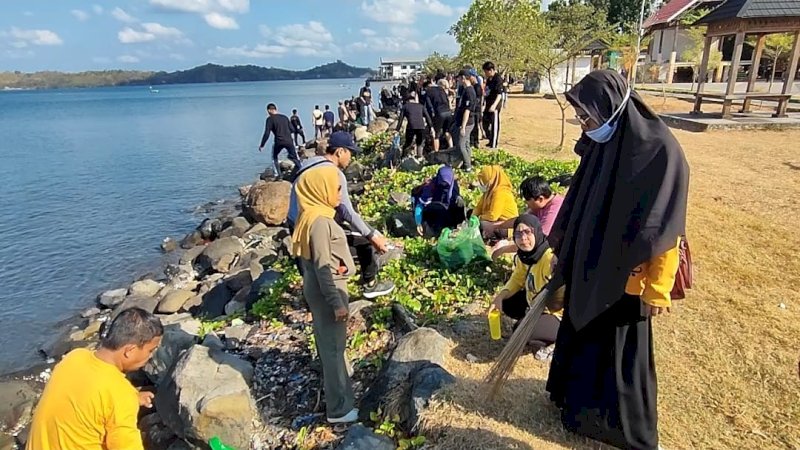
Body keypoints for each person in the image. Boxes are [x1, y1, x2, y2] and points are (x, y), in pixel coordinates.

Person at [546, 70, 689, 450]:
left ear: (610, 108)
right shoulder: (602, 145)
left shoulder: (660, 152)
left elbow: (664, 227)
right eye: (580, 118)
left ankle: (632, 436)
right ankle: (578, 412)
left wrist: (657, 290)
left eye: (586, 117)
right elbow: (580, 203)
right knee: (583, 343)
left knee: (622, 361)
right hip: (588, 267)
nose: (584, 125)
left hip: (626, 279)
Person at [27, 308, 163, 450]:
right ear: (130, 351)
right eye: (150, 350)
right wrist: (126, 399)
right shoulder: (118, 392)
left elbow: (86, 393)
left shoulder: (75, 357)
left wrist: (132, 396)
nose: (151, 356)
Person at [288, 132, 396, 299]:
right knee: (363, 242)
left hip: (295, 225)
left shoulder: (309, 164)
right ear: (340, 152)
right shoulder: (333, 173)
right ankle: (370, 285)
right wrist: (372, 235)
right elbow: (346, 211)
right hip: (315, 225)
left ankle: (312, 301)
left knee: (310, 268)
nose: (351, 158)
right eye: (350, 153)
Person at [291, 165, 358, 424]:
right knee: (333, 350)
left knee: (329, 346)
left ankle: (340, 396)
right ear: (320, 190)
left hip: (319, 289)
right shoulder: (320, 222)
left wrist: (342, 265)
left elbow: (320, 262)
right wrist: (337, 303)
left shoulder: (310, 215)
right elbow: (322, 267)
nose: (340, 193)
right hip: (327, 294)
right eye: (337, 188)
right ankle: (339, 409)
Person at [490, 214, 564, 359]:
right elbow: (517, 279)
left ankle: (556, 341)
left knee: (520, 331)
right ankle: (536, 326)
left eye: (527, 232)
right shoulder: (523, 256)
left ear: (536, 231)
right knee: (506, 302)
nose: (523, 238)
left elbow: (558, 299)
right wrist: (499, 297)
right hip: (534, 306)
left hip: (556, 314)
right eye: (518, 233)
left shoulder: (549, 258)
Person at [484, 176, 565, 252]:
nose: (527, 204)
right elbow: (521, 220)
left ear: (540, 199)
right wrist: (496, 226)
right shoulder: (540, 205)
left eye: (528, 200)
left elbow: (539, 241)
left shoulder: (555, 209)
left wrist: (504, 249)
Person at [411, 165, 466, 237]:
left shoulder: (454, 187)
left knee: (459, 201)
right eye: (442, 182)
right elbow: (420, 206)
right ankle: (436, 230)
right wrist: (418, 223)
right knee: (438, 207)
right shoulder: (431, 187)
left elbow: (456, 204)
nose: (444, 185)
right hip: (433, 214)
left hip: (447, 213)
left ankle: (457, 227)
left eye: (447, 183)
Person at [259, 103, 302, 180]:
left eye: (268, 111)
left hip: (279, 141)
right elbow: (292, 129)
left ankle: (278, 175)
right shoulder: (284, 117)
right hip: (289, 140)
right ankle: (301, 169)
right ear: (276, 109)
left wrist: (262, 145)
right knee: (294, 157)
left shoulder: (270, 119)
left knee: (274, 157)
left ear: (269, 110)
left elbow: (267, 133)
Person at [473, 165, 518, 231]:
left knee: (482, 224)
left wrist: (479, 218)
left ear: (490, 181)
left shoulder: (501, 192)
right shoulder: (489, 191)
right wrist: (473, 216)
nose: (481, 184)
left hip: (507, 226)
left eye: (483, 182)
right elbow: (479, 207)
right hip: (496, 222)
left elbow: (493, 216)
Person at [396, 92, 434, 158]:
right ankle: (419, 157)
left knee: (408, 143)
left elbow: (400, 120)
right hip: (421, 126)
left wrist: (397, 129)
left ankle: (403, 157)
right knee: (420, 143)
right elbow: (428, 117)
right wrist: (431, 127)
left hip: (411, 126)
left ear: (407, 100)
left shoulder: (405, 106)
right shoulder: (421, 106)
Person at [452, 69, 477, 172]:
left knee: (462, 145)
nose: (458, 80)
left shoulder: (469, 91)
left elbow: (467, 110)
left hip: (467, 122)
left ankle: (468, 166)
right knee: (466, 144)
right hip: (466, 121)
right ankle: (468, 163)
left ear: (463, 78)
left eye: (459, 78)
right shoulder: (465, 90)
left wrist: (463, 126)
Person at [426, 78, 454, 151]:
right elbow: (447, 101)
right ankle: (451, 148)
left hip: (439, 113)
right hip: (448, 112)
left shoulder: (428, 92)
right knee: (447, 131)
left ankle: (436, 152)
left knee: (436, 134)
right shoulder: (442, 90)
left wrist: (431, 117)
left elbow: (429, 106)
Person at [482, 61, 505, 149]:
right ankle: (490, 139)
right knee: (484, 123)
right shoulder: (488, 79)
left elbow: (499, 94)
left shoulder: (498, 79)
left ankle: (494, 143)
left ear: (491, 70)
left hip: (494, 105)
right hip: (488, 103)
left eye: (486, 72)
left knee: (494, 124)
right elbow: (487, 91)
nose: (485, 74)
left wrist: (494, 105)